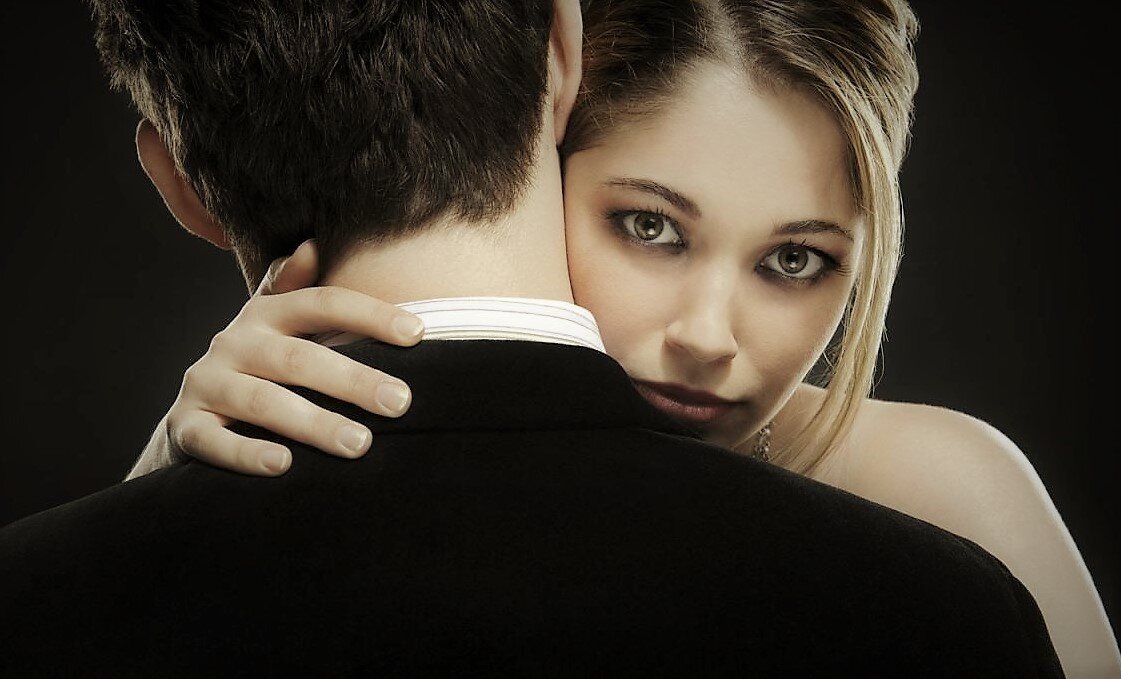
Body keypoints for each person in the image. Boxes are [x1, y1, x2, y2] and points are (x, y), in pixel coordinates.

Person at [0, 0, 1065, 676]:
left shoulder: (949, 496)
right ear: (543, 128)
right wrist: (171, 467)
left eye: (794, 259)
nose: (707, 338)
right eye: (647, 228)